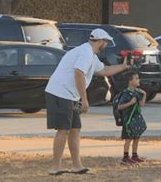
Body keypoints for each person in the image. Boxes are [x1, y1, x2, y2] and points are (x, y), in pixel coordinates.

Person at [45, 28, 131, 175]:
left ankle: (77, 166)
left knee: (75, 129)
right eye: (106, 42)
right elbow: (78, 73)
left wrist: (123, 67)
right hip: (59, 92)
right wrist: (84, 99)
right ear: (100, 41)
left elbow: (104, 70)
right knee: (63, 130)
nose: (107, 45)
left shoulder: (90, 54)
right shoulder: (85, 53)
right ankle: (55, 167)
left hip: (70, 95)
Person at [118, 71, 147, 165]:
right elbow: (120, 106)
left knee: (136, 137)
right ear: (130, 81)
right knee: (128, 138)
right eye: (136, 78)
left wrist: (144, 95)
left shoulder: (137, 92)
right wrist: (130, 103)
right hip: (128, 119)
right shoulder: (126, 93)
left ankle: (134, 155)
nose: (139, 80)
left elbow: (141, 105)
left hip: (136, 118)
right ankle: (125, 157)